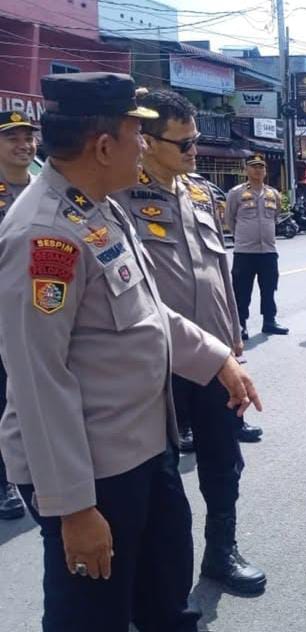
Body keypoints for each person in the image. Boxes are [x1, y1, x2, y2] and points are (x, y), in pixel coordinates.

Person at [0, 72, 262, 632]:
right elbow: (38, 379)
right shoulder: (44, 234)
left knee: (166, 595)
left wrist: (217, 357)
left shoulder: (99, 207)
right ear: (102, 146)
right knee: (92, 616)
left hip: (144, 446)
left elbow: (148, 312)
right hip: (92, 472)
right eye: (136, 134)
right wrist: (73, 507)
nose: (143, 145)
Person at [113, 89, 266, 594]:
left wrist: (233, 341)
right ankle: (156, 577)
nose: (195, 150)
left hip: (215, 358)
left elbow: (216, 270)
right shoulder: (117, 197)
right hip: (155, 362)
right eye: (185, 143)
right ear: (147, 141)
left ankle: (221, 551)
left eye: (196, 139)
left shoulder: (201, 191)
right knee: (156, 473)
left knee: (224, 461)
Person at [0, 109, 38, 520]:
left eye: (27, 137)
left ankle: (34, 468)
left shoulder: (44, 188)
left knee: (33, 394)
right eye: (12, 138)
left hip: (41, 312)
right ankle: (4, 482)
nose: (24, 145)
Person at [226, 154, 288, 338]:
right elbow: (230, 219)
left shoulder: (273, 194)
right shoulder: (236, 193)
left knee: (269, 288)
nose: (257, 170)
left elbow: (275, 217)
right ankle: (241, 324)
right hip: (244, 252)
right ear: (246, 170)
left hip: (268, 251)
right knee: (242, 290)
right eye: (253, 166)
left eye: (261, 167)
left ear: (265, 171)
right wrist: (243, 237)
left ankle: (269, 321)